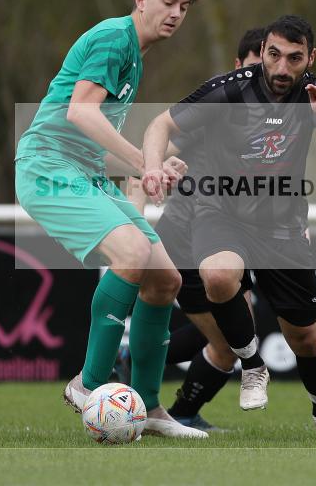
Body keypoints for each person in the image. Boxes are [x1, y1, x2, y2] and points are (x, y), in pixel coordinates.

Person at [141, 15, 316, 441]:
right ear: (262, 52)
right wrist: (150, 167)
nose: (282, 68)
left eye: (294, 58)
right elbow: (161, 125)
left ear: (309, 58)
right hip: (220, 214)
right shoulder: (231, 89)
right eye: (274, 55)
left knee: (306, 338)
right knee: (219, 277)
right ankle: (253, 365)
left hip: (282, 228)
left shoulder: (313, 94)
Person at [14, 0, 207, 438]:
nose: (176, 14)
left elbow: (96, 136)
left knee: (164, 280)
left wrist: (155, 168)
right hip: (48, 169)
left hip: (83, 171)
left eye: (184, 7)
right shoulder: (113, 37)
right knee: (133, 253)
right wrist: (145, 162)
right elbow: (81, 112)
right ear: (140, 0)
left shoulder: (133, 54)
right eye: (168, 2)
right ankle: (89, 384)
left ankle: (152, 409)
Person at [118, 27, 265, 431]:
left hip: (232, 240)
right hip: (189, 242)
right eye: (253, 69)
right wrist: (138, 209)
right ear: (238, 68)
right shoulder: (213, 115)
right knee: (230, 341)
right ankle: (177, 408)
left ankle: (137, 361)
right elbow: (143, 162)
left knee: (234, 334)